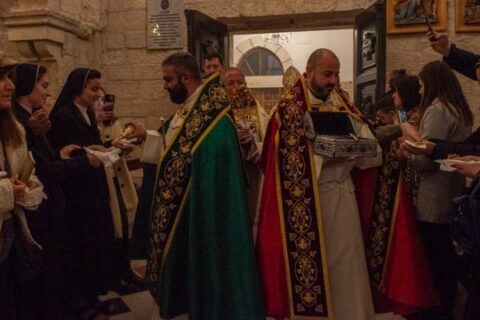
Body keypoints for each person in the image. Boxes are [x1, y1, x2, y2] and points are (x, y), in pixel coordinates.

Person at [129, 52, 264, 320]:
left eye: (168, 79)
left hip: (201, 208)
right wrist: (147, 135)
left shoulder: (214, 113)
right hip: (186, 205)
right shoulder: (194, 107)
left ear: (186, 78)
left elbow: (207, 158)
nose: (164, 85)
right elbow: (174, 139)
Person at [256, 48, 382, 319]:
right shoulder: (289, 110)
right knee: (319, 266)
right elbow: (279, 162)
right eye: (327, 74)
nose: (333, 80)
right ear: (309, 71)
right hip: (312, 200)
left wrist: (353, 152)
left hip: (344, 195)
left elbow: (373, 151)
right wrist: (327, 155)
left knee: (348, 266)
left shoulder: (345, 106)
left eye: (336, 74)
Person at [11, 63, 104, 319]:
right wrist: (84, 161)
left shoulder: (32, 117)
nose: (46, 92)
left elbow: (43, 161)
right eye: (43, 85)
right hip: (34, 210)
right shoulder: (19, 120)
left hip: (49, 205)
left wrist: (60, 155)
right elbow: (40, 169)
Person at [402, 61, 473, 320]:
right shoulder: (460, 109)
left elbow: (425, 159)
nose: (420, 92)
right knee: (445, 259)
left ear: (431, 84)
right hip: (451, 191)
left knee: (433, 262)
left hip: (432, 197)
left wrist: (406, 147)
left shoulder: (437, 109)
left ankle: (433, 312)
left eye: (421, 86)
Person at [47, 67, 116, 318]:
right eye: (93, 88)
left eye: (99, 88)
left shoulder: (86, 112)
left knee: (93, 245)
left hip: (91, 188)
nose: (98, 94)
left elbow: (83, 145)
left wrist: (96, 147)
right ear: (78, 88)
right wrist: (88, 152)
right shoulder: (65, 115)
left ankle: (91, 296)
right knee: (80, 248)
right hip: (77, 193)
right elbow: (66, 150)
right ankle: (79, 302)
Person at [0, 52, 44, 319]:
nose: (11, 85)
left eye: (9, 77)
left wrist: (27, 190)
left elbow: (31, 175)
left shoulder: (13, 127)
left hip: (10, 234)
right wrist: (9, 191)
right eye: (1, 78)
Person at [94, 87, 141, 294]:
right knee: (114, 230)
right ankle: (115, 275)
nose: (103, 104)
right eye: (99, 100)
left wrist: (126, 144)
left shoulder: (114, 122)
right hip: (104, 182)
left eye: (105, 99)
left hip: (119, 179)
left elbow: (120, 144)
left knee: (125, 224)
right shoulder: (90, 122)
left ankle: (126, 270)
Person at [221, 67, 270, 223]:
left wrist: (252, 147)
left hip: (253, 175)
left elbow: (268, 146)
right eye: (231, 83)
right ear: (222, 88)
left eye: (240, 82)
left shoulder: (260, 113)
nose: (237, 87)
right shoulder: (219, 115)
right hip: (229, 177)